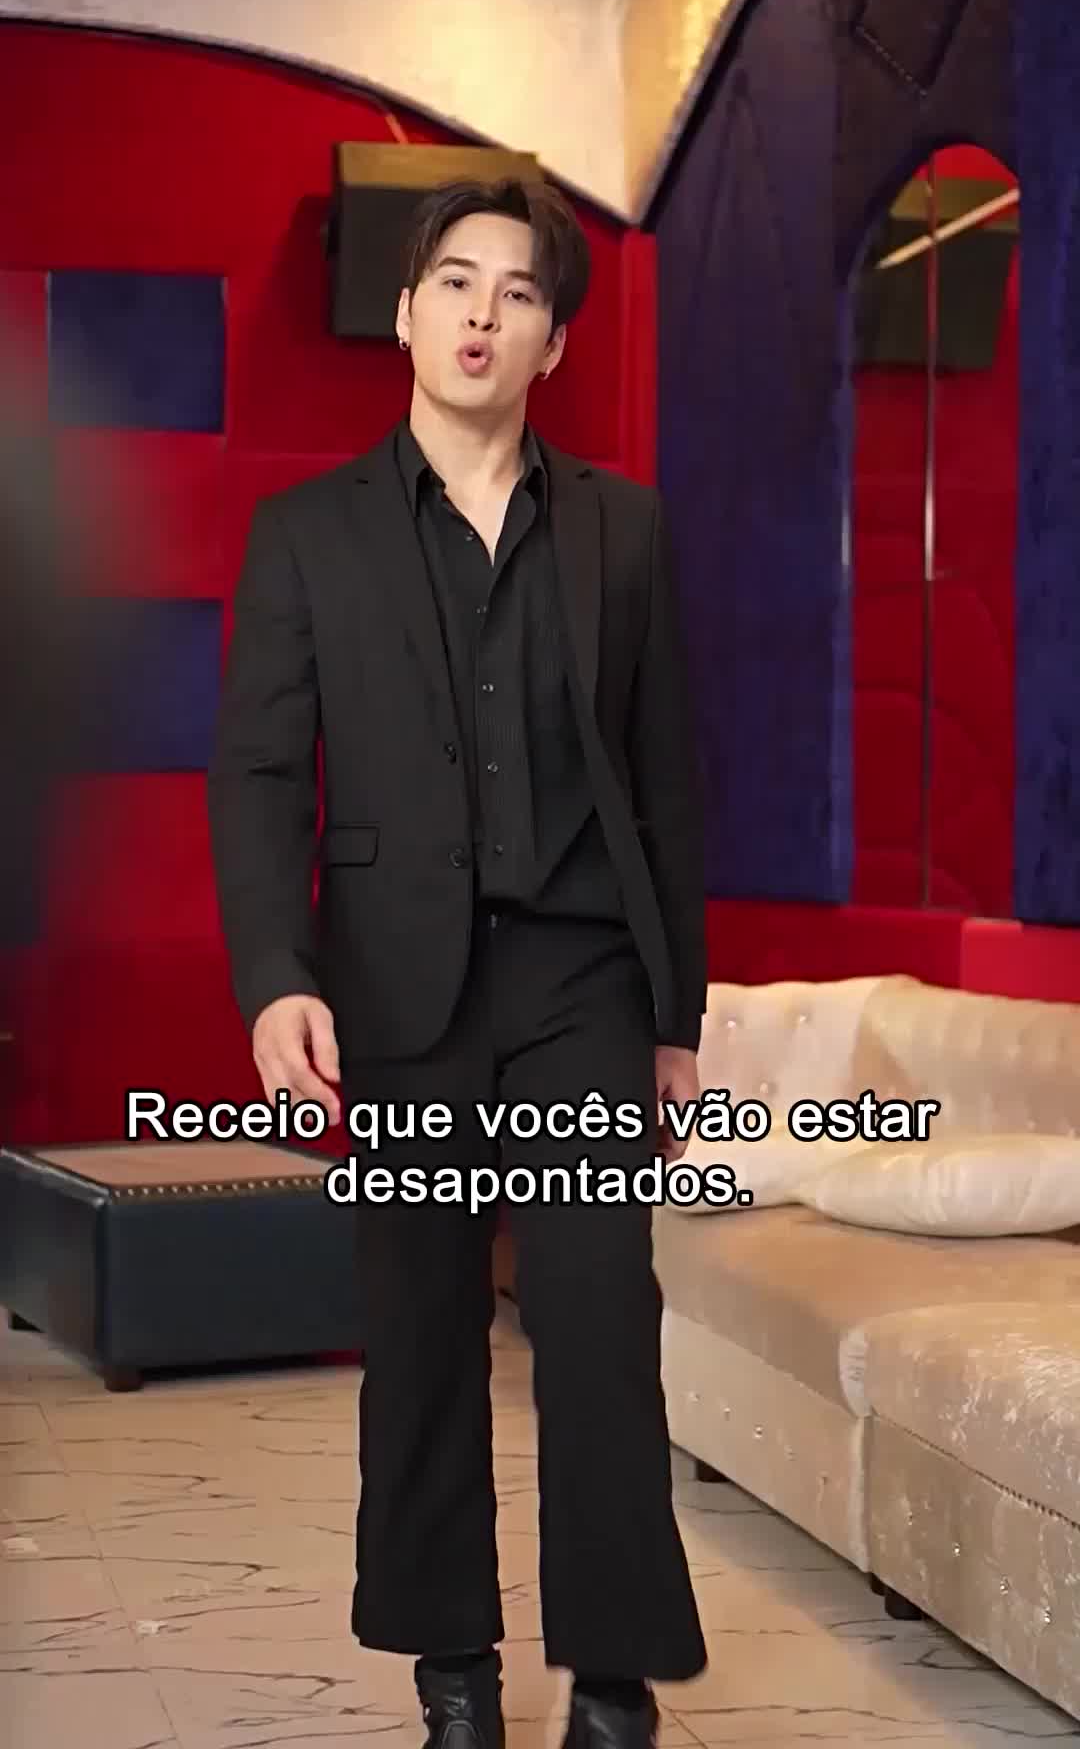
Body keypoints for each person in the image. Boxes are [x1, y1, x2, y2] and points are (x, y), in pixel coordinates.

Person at [207, 177, 708, 1749]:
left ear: (553, 342)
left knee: (599, 1318)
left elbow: (666, 781)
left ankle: (614, 1684)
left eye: (520, 291)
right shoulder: (307, 533)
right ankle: (456, 1678)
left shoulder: (622, 527)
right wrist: (277, 974)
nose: (484, 311)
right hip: (396, 985)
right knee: (422, 1334)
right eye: (456, 282)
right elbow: (260, 775)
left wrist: (677, 1018)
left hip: (582, 982)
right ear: (408, 314)